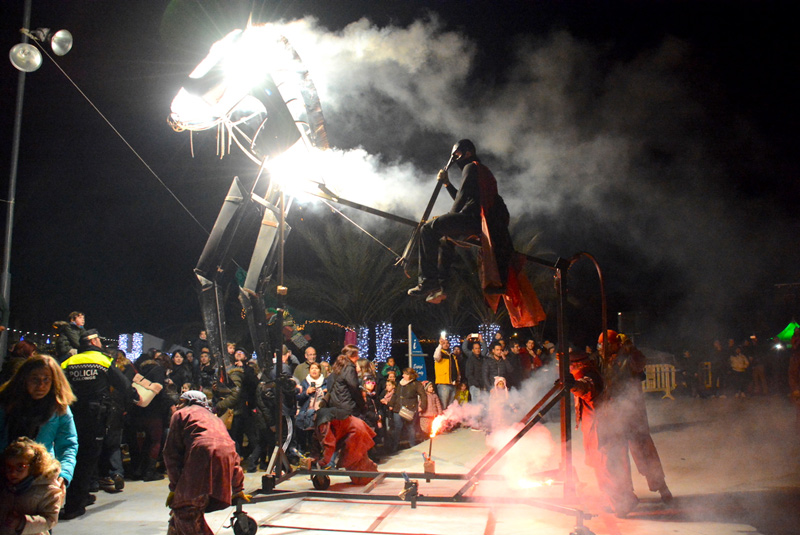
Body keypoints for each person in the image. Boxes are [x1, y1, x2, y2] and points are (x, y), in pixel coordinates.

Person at [408, 139, 510, 303]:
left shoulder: (472, 167)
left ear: (468, 153)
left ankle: (428, 282)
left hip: (474, 219)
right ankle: (440, 287)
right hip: (477, 219)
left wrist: (449, 219)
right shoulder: (478, 170)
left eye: (457, 155)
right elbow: (465, 197)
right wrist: (447, 184)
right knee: (446, 241)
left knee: (427, 229)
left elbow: (461, 198)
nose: (455, 160)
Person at [60, 329, 136, 519]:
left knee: (73, 454)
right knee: (88, 457)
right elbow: (124, 385)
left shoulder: (70, 361)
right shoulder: (102, 360)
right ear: (93, 342)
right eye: (99, 340)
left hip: (71, 414)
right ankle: (74, 505)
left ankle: (81, 495)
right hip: (95, 415)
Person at [597, 330, 671, 517]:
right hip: (613, 414)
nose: (602, 349)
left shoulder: (628, 357)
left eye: (606, 345)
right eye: (600, 346)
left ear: (616, 344)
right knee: (617, 458)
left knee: (644, 450)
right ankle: (624, 499)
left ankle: (661, 487)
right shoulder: (602, 361)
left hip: (632, 412)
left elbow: (639, 363)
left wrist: (630, 348)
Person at [0, 354, 78, 512]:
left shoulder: (59, 407)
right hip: (6, 477)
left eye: (46, 380)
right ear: (24, 379)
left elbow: (69, 444)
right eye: (35, 379)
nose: (41, 385)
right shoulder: (6, 403)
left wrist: (63, 475)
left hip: (42, 479)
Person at [163, 391, 246, 535]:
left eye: (181, 401)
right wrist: (238, 489)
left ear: (189, 402)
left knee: (185, 510)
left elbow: (171, 453)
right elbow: (232, 456)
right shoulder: (215, 419)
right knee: (190, 510)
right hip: (225, 456)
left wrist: (175, 487)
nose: (178, 405)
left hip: (201, 455)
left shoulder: (181, 414)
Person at [0, 437, 63, 535]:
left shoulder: (47, 490)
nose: (13, 473)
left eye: (20, 467)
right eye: (8, 467)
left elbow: (50, 520)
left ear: (33, 466)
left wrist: (22, 522)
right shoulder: (5, 487)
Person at [387, 368, 427, 452]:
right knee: (397, 428)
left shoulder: (416, 384)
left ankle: (412, 445)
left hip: (410, 409)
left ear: (410, 375)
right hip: (398, 408)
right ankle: (395, 446)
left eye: (405, 374)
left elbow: (423, 395)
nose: (403, 375)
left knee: (411, 427)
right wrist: (391, 404)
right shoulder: (400, 383)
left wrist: (422, 406)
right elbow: (395, 395)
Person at [328, 346, 366, 418]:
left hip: (335, 405)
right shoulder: (349, 368)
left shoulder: (337, 367)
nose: (358, 358)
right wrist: (362, 404)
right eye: (356, 355)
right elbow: (354, 388)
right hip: (347, 407)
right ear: (351, 356)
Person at [433, 337, 460, 409]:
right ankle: (442, 420)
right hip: (443, 383)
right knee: (443, 406)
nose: (446, 344)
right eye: (444, 343)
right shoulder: (440, 353)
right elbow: (436, 356)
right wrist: (439, 345)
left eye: (447, 343)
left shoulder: (452, 356)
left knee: (450, 407)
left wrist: (458, 379)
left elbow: (456, 369)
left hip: (453, 383)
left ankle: (448, 420)